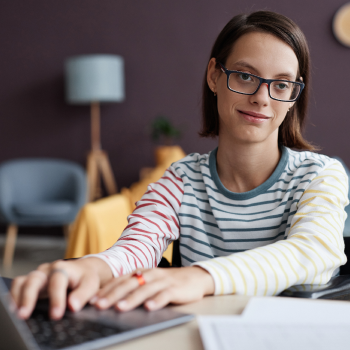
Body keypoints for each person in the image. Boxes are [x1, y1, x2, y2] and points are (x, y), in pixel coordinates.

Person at [11, 10, 348, 321]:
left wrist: (200, 276)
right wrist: (86, 268)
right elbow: (134, 250)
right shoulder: (181, 178)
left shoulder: (320, 174)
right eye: (246, 76)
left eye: (281, 84)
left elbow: (313, 252)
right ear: (215, 76)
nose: (262, 97)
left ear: (293, 96)